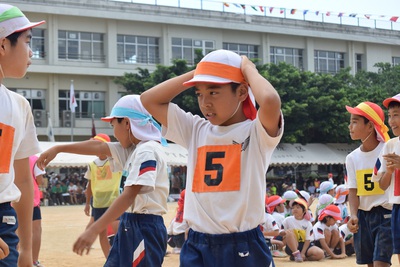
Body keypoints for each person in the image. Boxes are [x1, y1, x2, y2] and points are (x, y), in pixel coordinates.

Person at [141, 49, 283, 266]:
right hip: (197, 244)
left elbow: (271, 100)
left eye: (214, 92)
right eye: (199, 93)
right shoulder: (196, 129)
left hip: (243, 244)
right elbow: (149, 99)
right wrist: (200, 72)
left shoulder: (256, 132)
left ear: (242, 92)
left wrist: (248, 68)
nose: (204, 102)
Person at [37, 95, 169, 266]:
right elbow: (99, 147)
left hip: (144, 226)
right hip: (131, 223)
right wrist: (59, 148)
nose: (113, 132)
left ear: (127, 124)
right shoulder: (134, 149)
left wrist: (94, 228)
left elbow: (130, 195)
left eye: (113, 125)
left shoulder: (147, 150)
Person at [0, 4, 44, 266]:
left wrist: (27, 250)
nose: (31, 52)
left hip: (5, 220)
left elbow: (24, 182)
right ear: (3, 45)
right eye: (27, 41)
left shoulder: (19, 106)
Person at [345, 101, 393, 267]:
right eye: (350, 121)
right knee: (370, 264)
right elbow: (353, 191)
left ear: (370, 126)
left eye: (355, 121)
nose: (349, 126)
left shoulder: (388, 150)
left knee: (380, 262)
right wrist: (353, 214)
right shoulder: (351, 158)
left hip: (386, 213)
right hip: (363, 216)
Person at [372, 94, 400, 264]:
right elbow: (382, 186)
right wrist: (389, 172)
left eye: (396, 114)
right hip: (396, 207)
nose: (391, 121)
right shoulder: (390, 145)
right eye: (389, 116)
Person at [83, 133, 121, 258]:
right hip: (98, 203)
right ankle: (109, 259)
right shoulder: (92, 164)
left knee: (119, 232)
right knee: (102, 234)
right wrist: (88, 203)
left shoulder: (116, 161)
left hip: (114, 201)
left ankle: (121, 257)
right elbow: (90, 185)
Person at [29, 156, 46, 267]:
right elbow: (40, 181)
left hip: (14, 200)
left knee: (17, 231)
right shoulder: (35, 159)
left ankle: (16, 259)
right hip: (32, 198)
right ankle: (34, 261)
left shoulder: (12, 154)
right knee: (36, 230)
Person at [167, 189, 189, 254]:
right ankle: (181, 247)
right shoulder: (187, 214)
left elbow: (169, 230)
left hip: (171, 240)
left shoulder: (178, 213)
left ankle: (177, 246)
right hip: (181, 239)